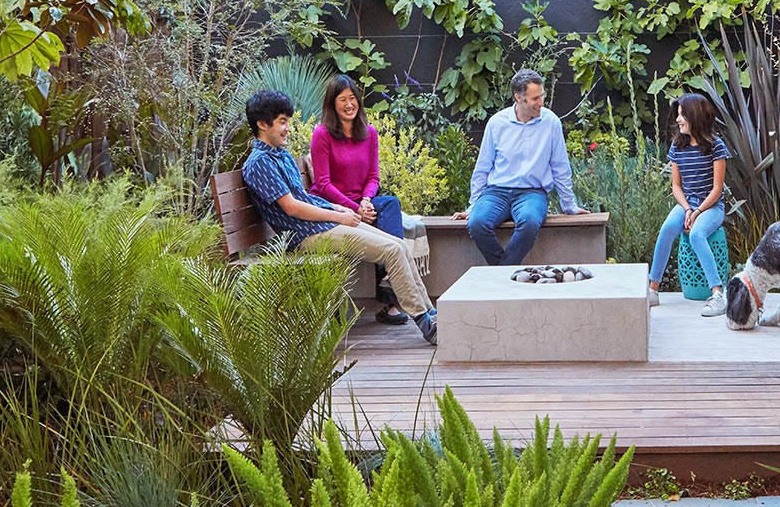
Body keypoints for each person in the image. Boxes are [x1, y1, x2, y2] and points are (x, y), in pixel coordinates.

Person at [240, 89, 438, 344]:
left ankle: (430, 312)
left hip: (321, 225)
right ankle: (424, 320)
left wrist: (338, 209)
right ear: (261, 124)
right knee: (390, 250)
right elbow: (292, 208)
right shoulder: (259, 163)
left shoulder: (282, 155)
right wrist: (339, 218)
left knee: (398, 244)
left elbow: (304, 197)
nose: (287, 128)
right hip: (305, 236)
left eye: (287, 121)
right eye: (282, 122)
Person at [455, 68, 583, 265]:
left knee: (530, 222)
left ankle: (501, 275)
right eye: (535, 99)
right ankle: (505, 271)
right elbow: (482, 167)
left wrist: (569, 206)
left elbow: (560, 167)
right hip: (496, 192)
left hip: (532, 193)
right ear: (518, 97)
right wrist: (474, 205)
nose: (541, 102)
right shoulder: (497, 123)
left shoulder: (551, 123)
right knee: (477, 223)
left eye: (542, 96)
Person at [309, 74, 409, 324]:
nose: (348, 104)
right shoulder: (322, 135)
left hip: (359, 204)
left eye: (352, 98)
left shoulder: (370, 133)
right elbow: (323, 183)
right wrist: (355, 209)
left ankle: (388, 284)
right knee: (380, 214)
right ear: (332, 104)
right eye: (342, 99)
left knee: (390, 204)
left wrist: (365, 200)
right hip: (332, 205)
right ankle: (392, 296)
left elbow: (373, 176)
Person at [648, 93, 731, 316]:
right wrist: (687, 209)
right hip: (688, 204)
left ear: (695, 116)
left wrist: (698, 212)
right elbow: (676, 186)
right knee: (666, 229)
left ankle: (717, 295)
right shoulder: (678, 146)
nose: (678, 120)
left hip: (711, 207)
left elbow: (717, 189)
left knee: (696, 235)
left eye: (682, 115)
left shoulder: (716, 147)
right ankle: (652, 290)